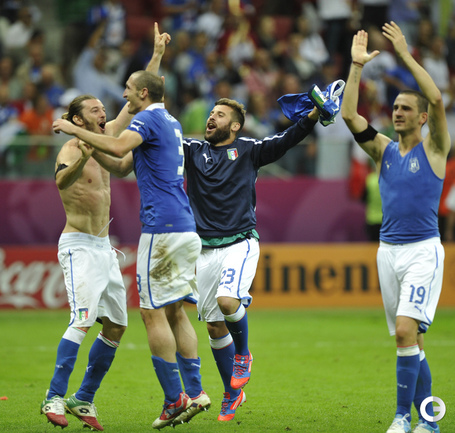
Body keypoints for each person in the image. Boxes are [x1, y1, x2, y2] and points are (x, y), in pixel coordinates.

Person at [148, 35, 321, 422]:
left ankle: (244, 354)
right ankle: (232, 392)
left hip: (240, 242)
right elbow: (159, 123)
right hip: (203, 251)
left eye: (221, 115)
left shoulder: (249, 150)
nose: (212, 117)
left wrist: (313, 115)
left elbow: (288, 139)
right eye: (211, 113)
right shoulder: (193, 151)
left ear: (236, 125)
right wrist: (155, 73)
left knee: (228, 303)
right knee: (213, 325)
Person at [52, 22, 211, 431]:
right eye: (95, 109)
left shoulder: (134, 124)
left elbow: (123, 137)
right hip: (181, 226)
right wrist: (156, 56)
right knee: (173, 313)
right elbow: (121, 165)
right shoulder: (166, 119)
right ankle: (194, 391)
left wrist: (74, 129)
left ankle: (174, 400)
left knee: (150, 314)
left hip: (160, 227)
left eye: (126, 90)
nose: (116, 101)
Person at [40, 22, 169, 433]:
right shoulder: (70, 147)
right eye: (95, 109)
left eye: (102, 109)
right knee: (81, 319)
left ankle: (84, 398)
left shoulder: (108, 134)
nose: (104, 112)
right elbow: (61, 183)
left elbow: (140, 99)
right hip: (78, 245)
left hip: (103, 246)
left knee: (116, 325)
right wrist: (82, 153)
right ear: (78, 118)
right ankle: (53, 396)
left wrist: (156, 56)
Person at [341, 22, 450, 433]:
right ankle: (429, 421)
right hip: (388, 252)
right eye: (396, 107)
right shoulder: (383, 150)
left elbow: (436, 98)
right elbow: (349, 115)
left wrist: (404, 55)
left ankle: (403, 417)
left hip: (422, 251)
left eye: (406, 108)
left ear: (422, 118)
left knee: (405, 330)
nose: (397, 112)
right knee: (411, 340)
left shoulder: (435, 149)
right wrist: (356, 66)